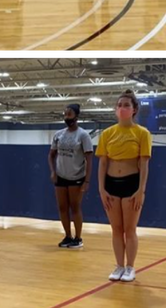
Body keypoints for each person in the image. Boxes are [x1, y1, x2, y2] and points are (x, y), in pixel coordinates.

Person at [97, 89, 152, 283]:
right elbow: (103, 163)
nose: (122, 108)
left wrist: (140, 190)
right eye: (119, 105)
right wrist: (102, 189)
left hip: (132, 184)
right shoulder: (107, 133)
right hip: (111, 184)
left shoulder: (142, 133)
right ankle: (119, 265)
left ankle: (130, 267)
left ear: (134, 109)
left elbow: (144, 163)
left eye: (126, 105)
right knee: (116, 229)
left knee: (130, 229)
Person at [49, 104, 93, 250]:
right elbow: (51, 155)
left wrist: (87, 180)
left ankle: (78, 238)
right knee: (62, 207)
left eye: (69, 114)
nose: (67, 117)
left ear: (76, 116)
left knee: (75, 207)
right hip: (61, 175)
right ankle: (67, 236)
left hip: (76, 176)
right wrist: (53, 171)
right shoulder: (58, 134)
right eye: (65, 114)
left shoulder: (83, 135)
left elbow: (89, 159)